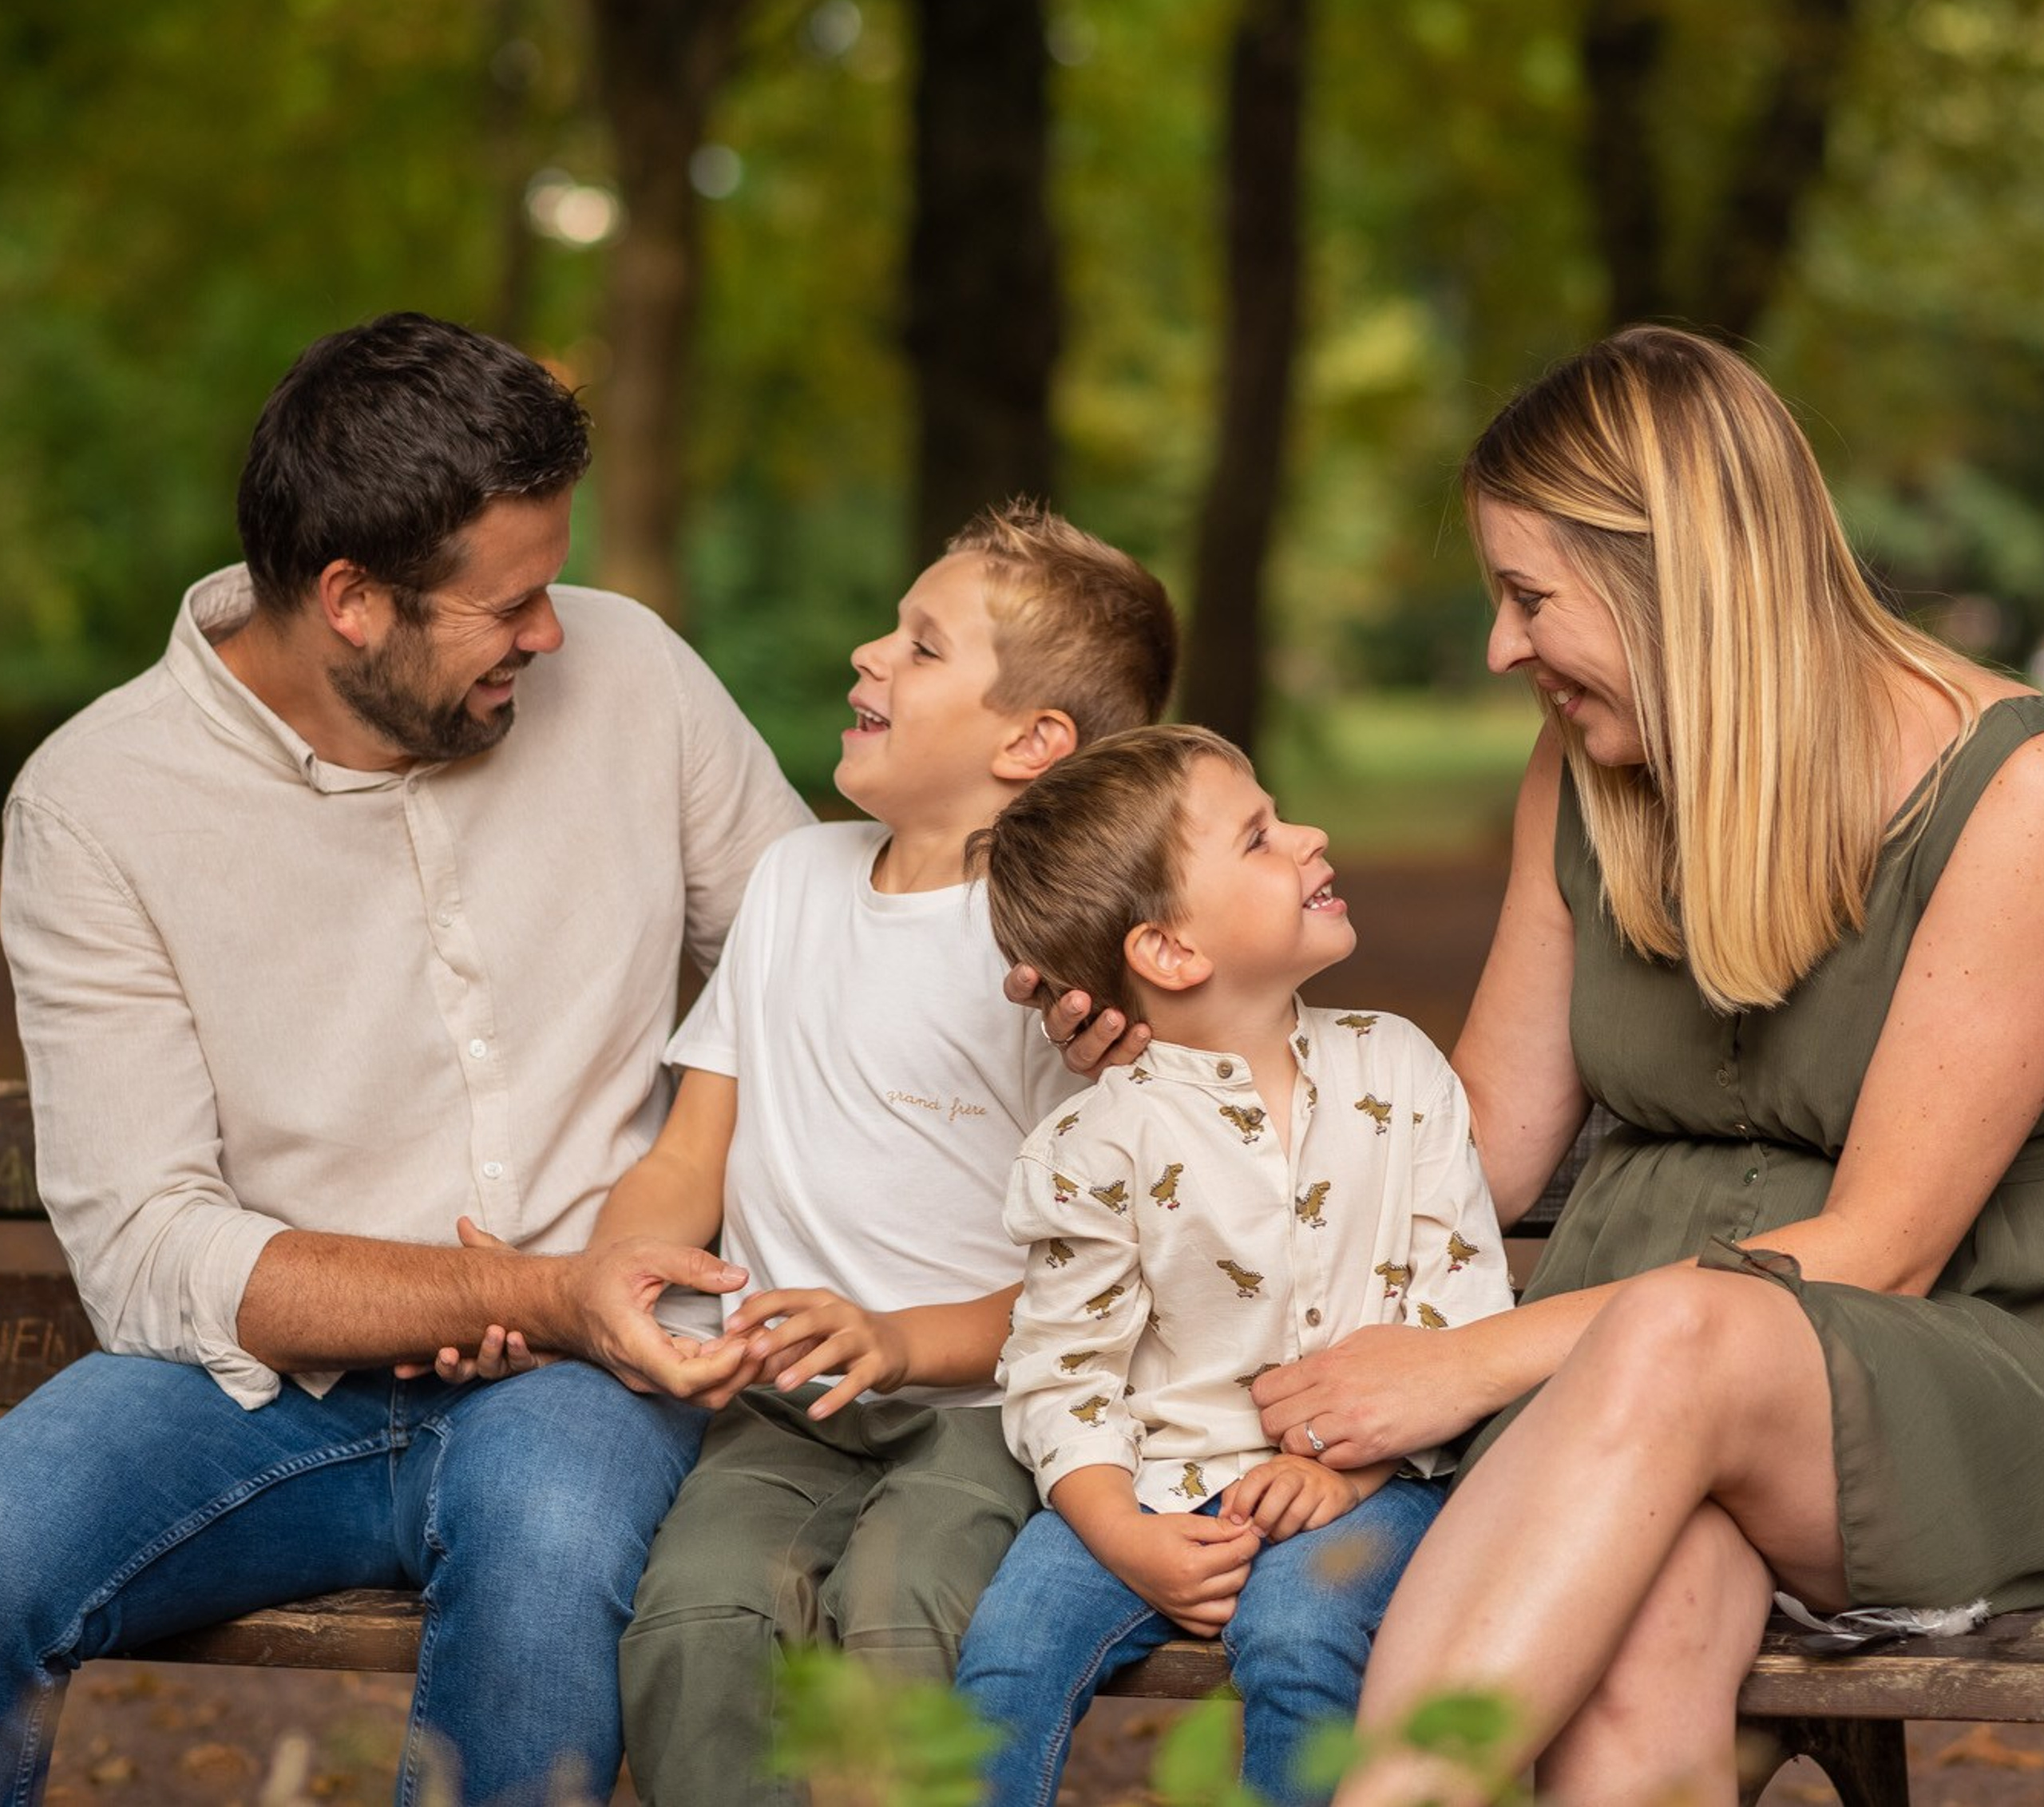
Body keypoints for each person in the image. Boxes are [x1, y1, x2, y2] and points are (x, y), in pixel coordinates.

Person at [1226, 326, 2044, 1806]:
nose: (1500, 647)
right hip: (1628, 1418)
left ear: (1677, 577)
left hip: (1932, 1392)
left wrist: (1462, 1366)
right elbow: (1484, 1145)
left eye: (1531, 596)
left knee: (1679, 1343)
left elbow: (1878, 1251)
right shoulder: (1589, 765)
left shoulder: (2018, 796)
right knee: (1637, 1682)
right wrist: (1211, 1056)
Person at [0, 313, 810, 1807]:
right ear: (351, 601)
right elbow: (150, 1251)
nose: (552, 633)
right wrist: (518, 1287)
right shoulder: (98, 806)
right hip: (244, 1391)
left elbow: (821, 961)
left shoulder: (636, 676)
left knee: (553, 1557)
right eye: (508, 607)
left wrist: (1045, 980)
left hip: (586, 1374)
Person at [592, 505, 1179, 1807]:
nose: (868, 654)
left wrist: (903, 1339)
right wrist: (623, 1264)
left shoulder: (1064, 965)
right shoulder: (795, 883)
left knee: (903, 1614)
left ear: (1032, 742)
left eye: (920, 647)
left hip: (990, 1417)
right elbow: (695, 1146)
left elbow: (1113, 1272)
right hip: (780, 1412)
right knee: (696, 1626)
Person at [957, 723, 1513, 1807]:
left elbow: (1462, 1312)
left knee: (1302, 1633)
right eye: (1260, 837)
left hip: (1373, 1485)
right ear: (1170, 952)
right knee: (1007, 1654)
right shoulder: (1095, 1145)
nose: (1308, 835)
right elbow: (1061, 1371)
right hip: (1150, 1489)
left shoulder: (1398, 1070)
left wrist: (1346, 1470)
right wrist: (1122, 1532)